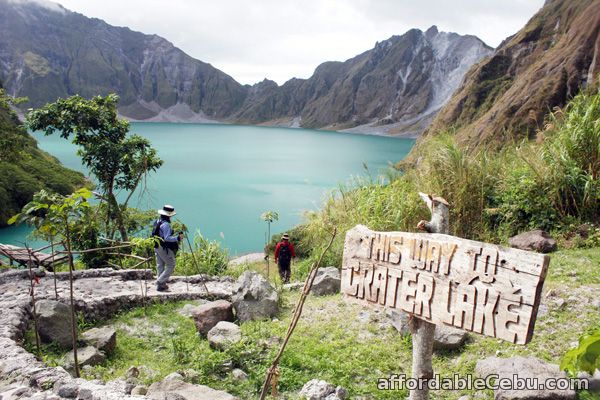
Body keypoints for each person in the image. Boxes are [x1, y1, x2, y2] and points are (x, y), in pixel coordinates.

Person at [152, 204, 183, 291]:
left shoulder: (158, 221)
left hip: (156, 245)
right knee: (171, 264)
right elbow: (167, 238)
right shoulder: (165, 224)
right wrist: (178, 238)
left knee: (160, 265)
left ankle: (161, 286)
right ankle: (160, 281)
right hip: (163, 247)